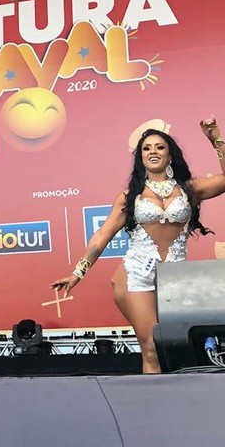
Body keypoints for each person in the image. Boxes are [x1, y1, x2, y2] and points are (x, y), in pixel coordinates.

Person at [52, 119, 225, 373]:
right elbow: (102, 235)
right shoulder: (129, 197)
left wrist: (215, 138)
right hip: (137, 276)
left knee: (176, 348)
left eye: (159, 147)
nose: (153, 151)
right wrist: (78, 272)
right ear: (140, 157)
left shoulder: (190, 189)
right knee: (152, 346)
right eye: (146, 148)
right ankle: (154, 407)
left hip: (176, 279)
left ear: (170, 155)